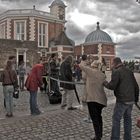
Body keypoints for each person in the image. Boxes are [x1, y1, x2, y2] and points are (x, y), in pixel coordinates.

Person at [103, 57, 139, 140]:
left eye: (112, 64)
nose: (111, 65)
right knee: (128, 120)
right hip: (131, 100)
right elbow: (136, 87)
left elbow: (112, 86)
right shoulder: (129, 71)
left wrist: (104, 83)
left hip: (122, 101)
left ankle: (115, 138)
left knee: (116, 120)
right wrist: (135, 99)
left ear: (115, 63)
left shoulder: (116, 72)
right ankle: (128, 138)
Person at [79, 60, 107, 140]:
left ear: (93, 66)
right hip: (101, 100)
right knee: (99, 117)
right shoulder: (102, 75)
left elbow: (80, 66)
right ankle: (100, 134)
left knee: (95, 119)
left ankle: (97, 137)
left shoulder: (90, 71)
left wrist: (86, 63)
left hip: (92, 99)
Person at [80, 54, 92, 123]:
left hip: (88, 83)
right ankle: (90, 116)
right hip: (88, 82)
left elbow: (84, 75)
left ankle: (90, 117)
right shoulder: (85, 64)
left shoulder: (84, 64)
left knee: (89, 100)